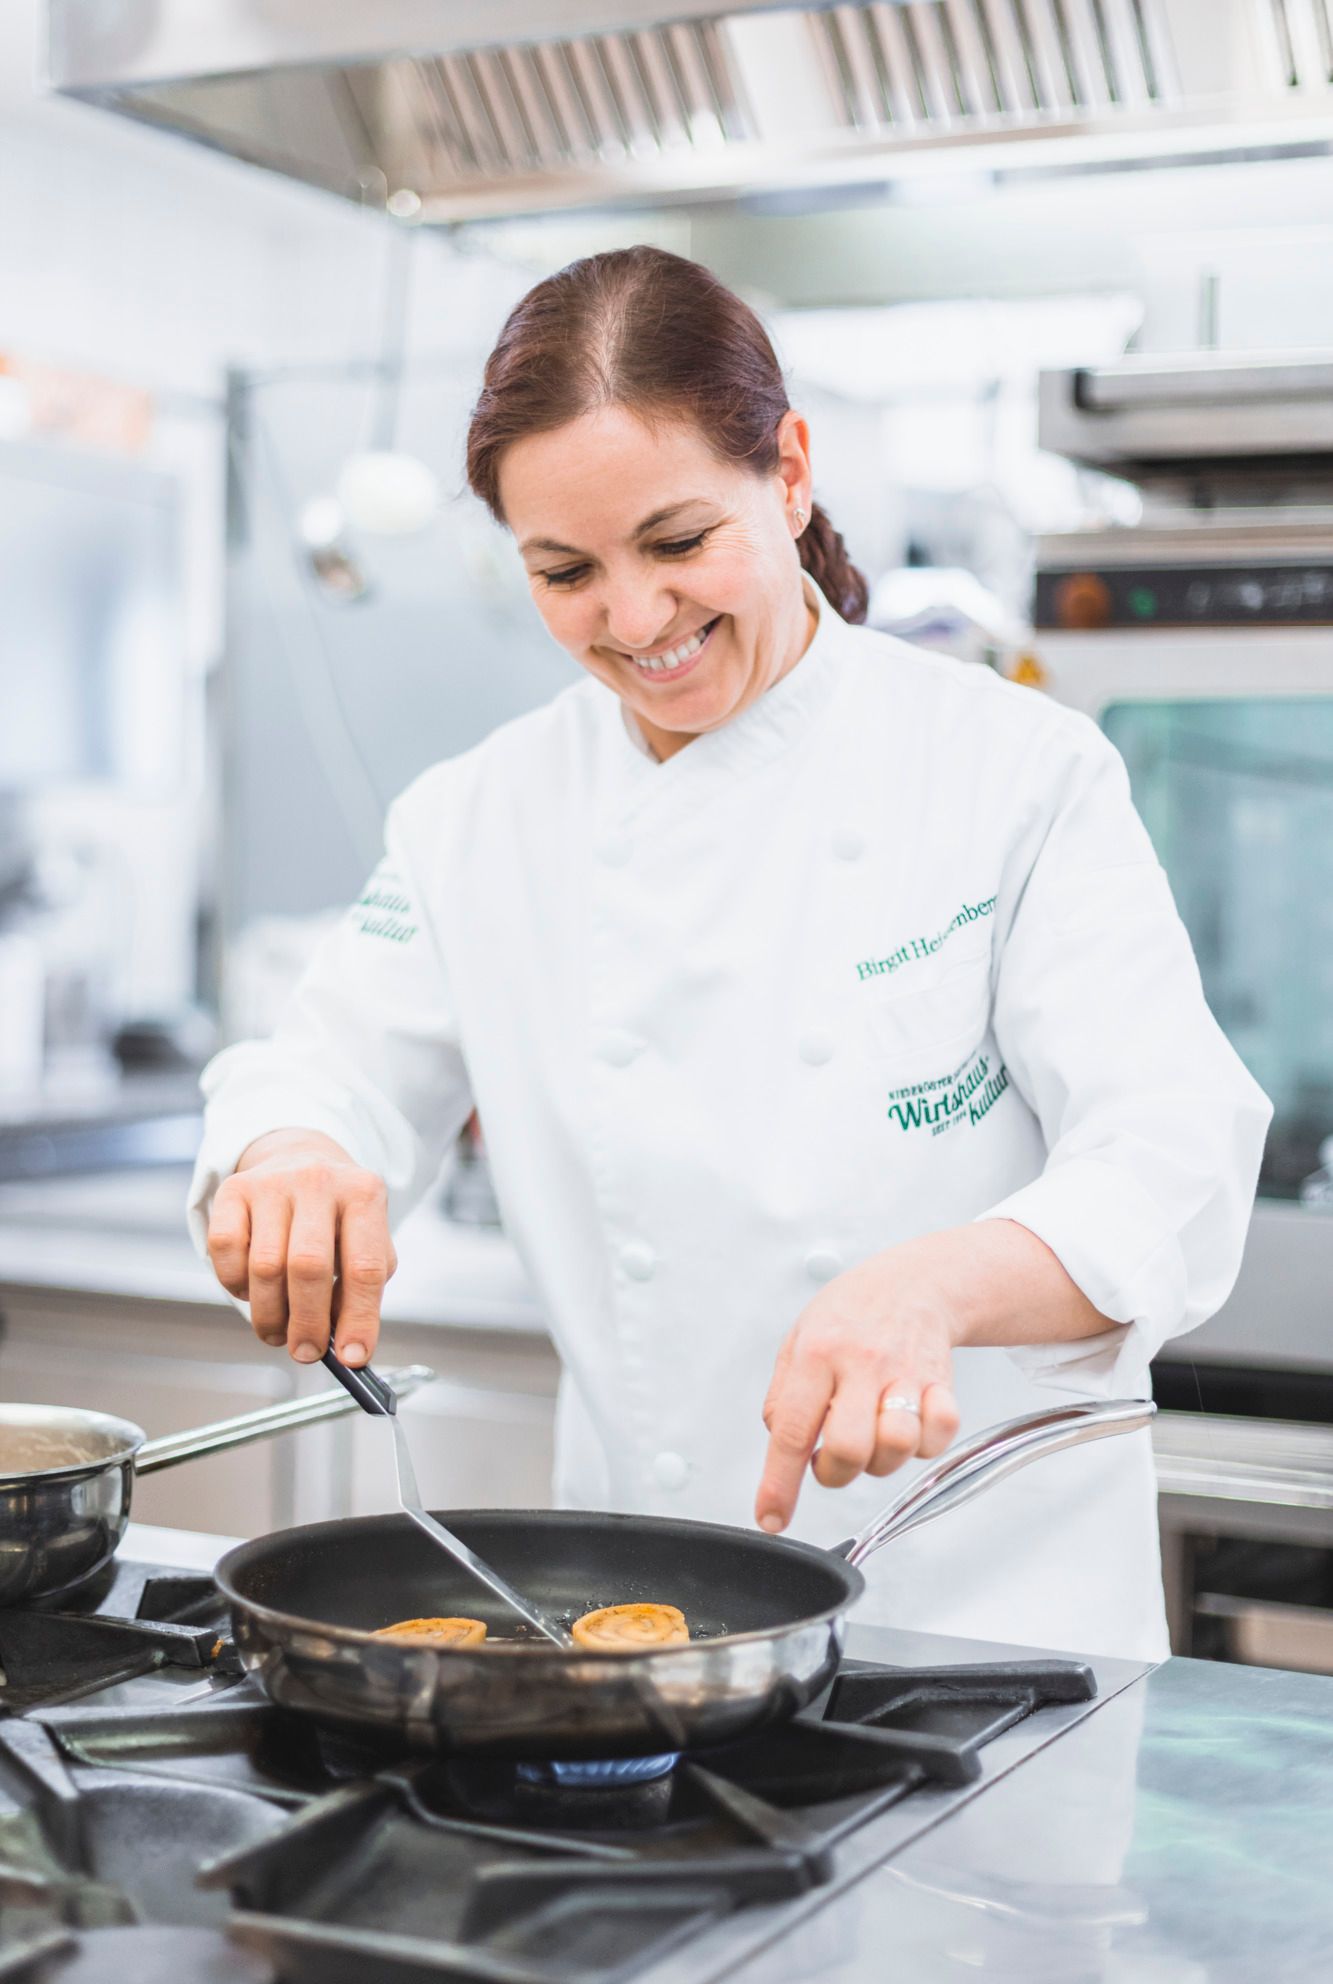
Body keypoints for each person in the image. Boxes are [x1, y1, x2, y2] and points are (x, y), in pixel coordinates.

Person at [189, 247, 1270, 1660]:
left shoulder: (1013, 770)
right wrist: (288, 1153)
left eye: (680, 541)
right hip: (644, 1636)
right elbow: (321, 1066)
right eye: (564, 571)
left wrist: (935, 1281)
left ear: (792, 473)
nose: (634, 620)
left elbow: (1170, 1159)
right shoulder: (480, 815)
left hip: (991, 1627)